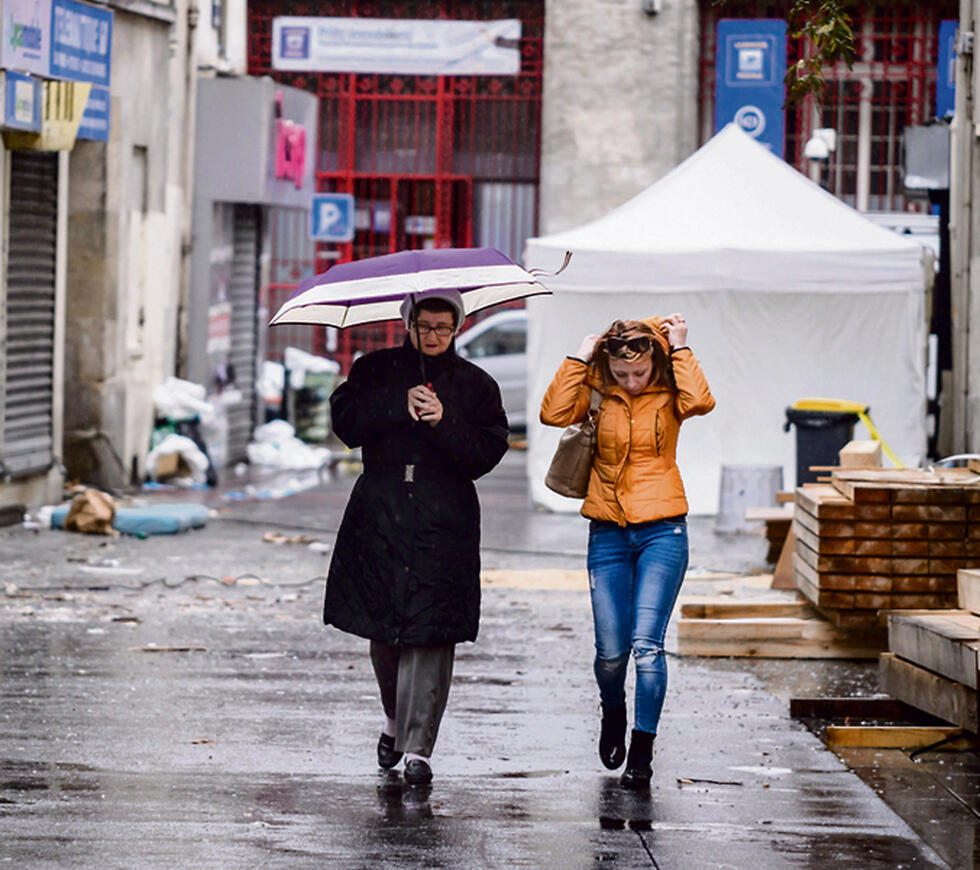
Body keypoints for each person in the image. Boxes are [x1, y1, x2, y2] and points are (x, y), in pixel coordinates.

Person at [324, 288, 509, 786]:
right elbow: (345, 422)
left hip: (442, 520)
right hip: (380, 512)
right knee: (384, 628)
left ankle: (420, 748)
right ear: (408, 325)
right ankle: (393, 719)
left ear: (457, 329)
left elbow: (487, 454)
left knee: (432, 631)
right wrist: (396, 404)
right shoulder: (374, 369)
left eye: (443, 329)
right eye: (424, 327)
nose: (433, 337)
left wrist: (444, 420)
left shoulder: (476, 385)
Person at [540, 314, 715, 788]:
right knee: (611, 654)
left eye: (639, 373)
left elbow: (702, 401)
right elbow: (553, 413)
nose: (632, 382)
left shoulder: (671, 390)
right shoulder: (599, 390)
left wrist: (679, 347)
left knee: (647, 648)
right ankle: (612, 711)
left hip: (663, 531)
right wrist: (580, 354)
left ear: (654, 363)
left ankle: (643, 748)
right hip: (608, 531)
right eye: (622, 374)